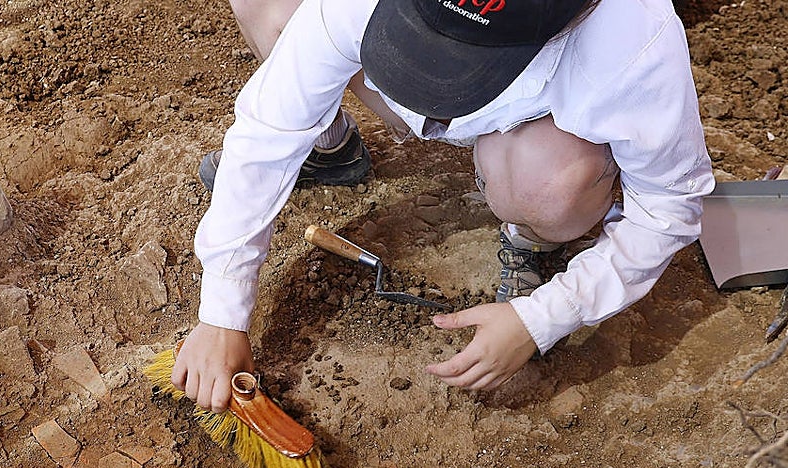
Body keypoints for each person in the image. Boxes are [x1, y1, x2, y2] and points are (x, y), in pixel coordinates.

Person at [171, 0, 714, 412]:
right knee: (272, 9)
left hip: (531, 132)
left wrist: (544, 316)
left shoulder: (633, 36)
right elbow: (265, 134)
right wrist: (222, 311)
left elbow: (669, 204)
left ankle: (531, 231)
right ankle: (330, 144)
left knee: (548, 185)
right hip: (379, 35)